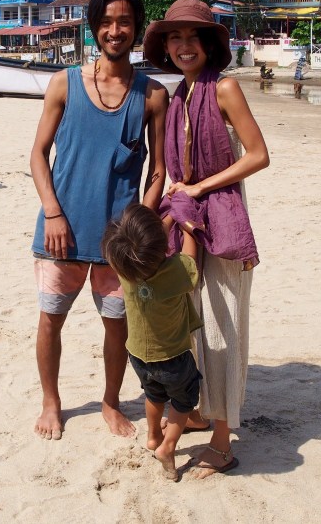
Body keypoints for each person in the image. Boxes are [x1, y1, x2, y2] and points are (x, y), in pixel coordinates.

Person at [30, 0, 169, 441]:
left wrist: (140, 227)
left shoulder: (152, 96)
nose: (115, 30)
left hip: (120, 241)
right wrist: (53, 212)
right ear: (94, 28)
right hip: (62, 233)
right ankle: (51, 402)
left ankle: (110, 402)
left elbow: (158, 169)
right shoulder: (64, 84)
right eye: (106, 22)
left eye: (124, 22)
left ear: (137, 28)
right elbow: (38, 155)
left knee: (117, 326)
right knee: (51, 319)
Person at [143, 0, 270, 477]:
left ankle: (222, 441)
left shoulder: (224, 88)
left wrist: (199, 187)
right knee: (193, 324)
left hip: (223, 220)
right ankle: (197, 411)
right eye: (175, 38)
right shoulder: (180, 94)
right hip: (189, 220)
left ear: (209, 44)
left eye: (192, 37)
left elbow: (257, 155)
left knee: (223, 325)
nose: (183, 46)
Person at [101, 203, 202, 481]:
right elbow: (191, 259)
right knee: (184, 399)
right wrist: (186, 224)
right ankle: (167, 446)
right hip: (173, 356)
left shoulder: (125, 269)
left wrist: (167, 219)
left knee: (154, 395)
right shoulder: (176, 272)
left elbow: (145, 246)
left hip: (138, 355)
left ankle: (153, 435)